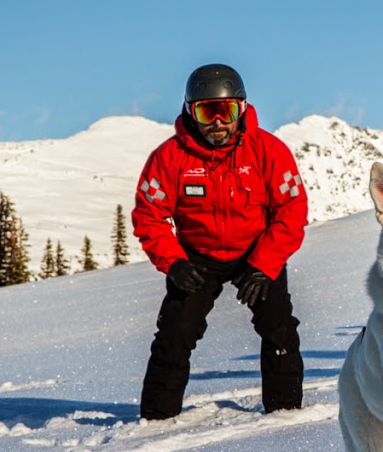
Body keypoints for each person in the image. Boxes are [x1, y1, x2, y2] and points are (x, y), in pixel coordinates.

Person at [131, 64, 309, 420]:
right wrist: (174, 262)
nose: (216, 123)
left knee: (280, 329)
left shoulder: (268, 151)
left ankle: (286, 415)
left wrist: (264, 265)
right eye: (205, 111)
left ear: (240, 109)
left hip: (256, 254)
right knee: (175, 333)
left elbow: (292, 210)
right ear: (189, 111)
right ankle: (156, 420)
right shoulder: (169, 158)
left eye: (224, 111)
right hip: (197, 257)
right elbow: (149, 214)